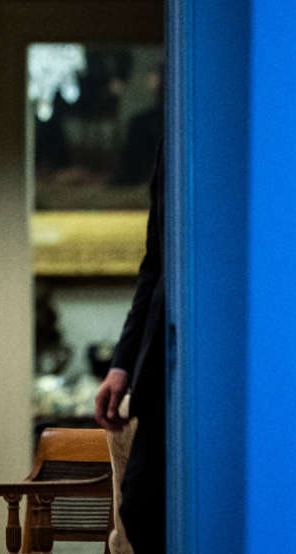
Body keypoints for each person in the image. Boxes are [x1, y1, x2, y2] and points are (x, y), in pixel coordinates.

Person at [94, 143, 165, 552]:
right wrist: (122, 366)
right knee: (139, 507)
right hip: (158, 368)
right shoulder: (169, 139)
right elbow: (154, 264)